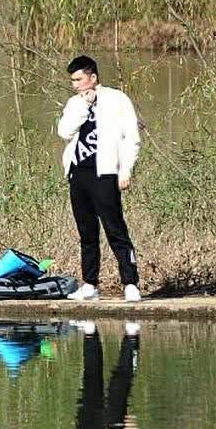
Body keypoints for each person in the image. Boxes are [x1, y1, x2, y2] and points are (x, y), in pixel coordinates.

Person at [58, 55, 142, 302]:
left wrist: (125, 170)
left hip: (105, 173)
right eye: (73, 80)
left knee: (115, 229)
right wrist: (84, 106)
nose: (75, 84)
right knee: (87, 232)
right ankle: (90, 283)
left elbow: (132, 138)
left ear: (93, 77)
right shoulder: (75, 103)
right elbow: (64, 131)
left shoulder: (117, 100)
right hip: (78, 172)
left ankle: (130, 282)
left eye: (79, 79)